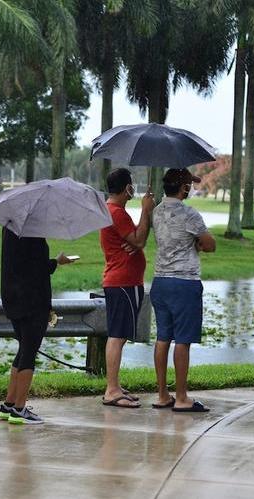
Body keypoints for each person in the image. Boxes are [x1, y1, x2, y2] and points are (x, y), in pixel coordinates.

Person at [150, 168, 216, 413]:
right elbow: (210, 244)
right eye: (190, 184)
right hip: (184, 283)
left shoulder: (156, 212)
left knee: (163, 338)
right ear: (183, 188)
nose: (192, 188)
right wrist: (198, 243)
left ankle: (162, 395)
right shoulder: (190, 214)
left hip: (160, 281)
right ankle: (181, 397)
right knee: (183, 340)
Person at [0, 227, 74, 424]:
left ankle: (9, 404)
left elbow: (22, 264)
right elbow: (39, 268)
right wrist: (57, 261)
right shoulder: (33, 233)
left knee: (23, 349)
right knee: (29, 352)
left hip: (12, 298)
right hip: (32, 301)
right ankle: (20, 409)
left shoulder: (9, 229)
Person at [99, 168, 155, 408]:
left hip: (123, 281)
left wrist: (135, 242)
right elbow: (140, 240)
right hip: (122, 282)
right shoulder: (117, 213)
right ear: (127, 189)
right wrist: (146, 210)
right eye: (131, 184)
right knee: (117, 336)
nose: (134, 188)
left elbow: (135, 240)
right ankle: (111, 390)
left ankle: (115, 386)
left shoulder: (113, 211)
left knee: (119, 336)